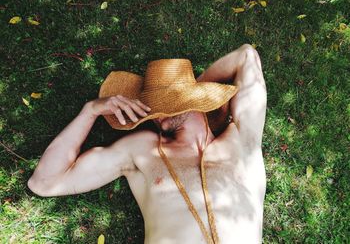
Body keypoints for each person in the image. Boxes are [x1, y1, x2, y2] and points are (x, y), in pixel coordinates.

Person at [27, 44, 267, 244]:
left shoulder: (242, 140)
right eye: (153, 105)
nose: (157, 112)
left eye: (168, 102)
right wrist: (90, 111)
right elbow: (44, 182)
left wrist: (198, 92)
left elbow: (247, 55)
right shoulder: (143, 150)